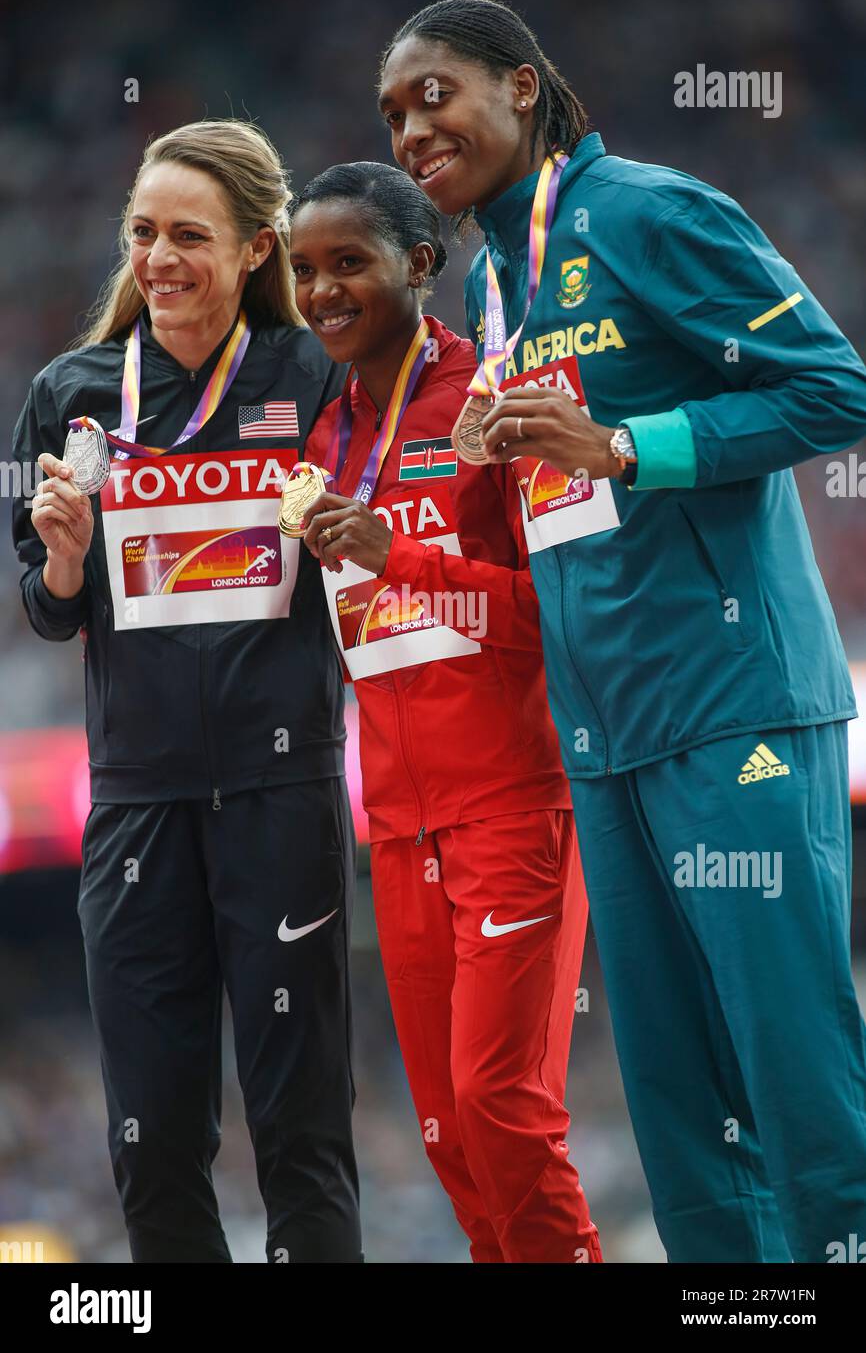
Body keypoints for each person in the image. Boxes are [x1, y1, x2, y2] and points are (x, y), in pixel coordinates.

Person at [381, 0, 866, 1264]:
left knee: (790, 1070)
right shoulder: (492, 282)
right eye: (390, 116)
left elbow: (832, 390)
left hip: (733, 704)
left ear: (522, 87)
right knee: (677, 1109)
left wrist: (626, 445)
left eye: (435, 93)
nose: (410, 130)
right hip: (601, 736)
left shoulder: (645, 211)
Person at [12, 120, 361, 1264]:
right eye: (143, 232)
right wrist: (63, 557)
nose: (159, 256)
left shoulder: (315, 374)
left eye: (189, 236)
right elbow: (47, 604)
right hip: (137, 806)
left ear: (259, 247)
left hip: (284, 794)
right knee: (153, 1142)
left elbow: (371, 553)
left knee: (300, 1134)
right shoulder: (70, 393)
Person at [288, 160, 603, 1263]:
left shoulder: (496, 402)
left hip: (514, 807)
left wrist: (401, 557)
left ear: (420, 264)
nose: (322, 291)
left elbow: (563, 617)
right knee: (454, 1139)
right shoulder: (322, 443)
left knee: (503, 1108)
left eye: (348, 263)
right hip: (400, 829)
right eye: (303, 271)